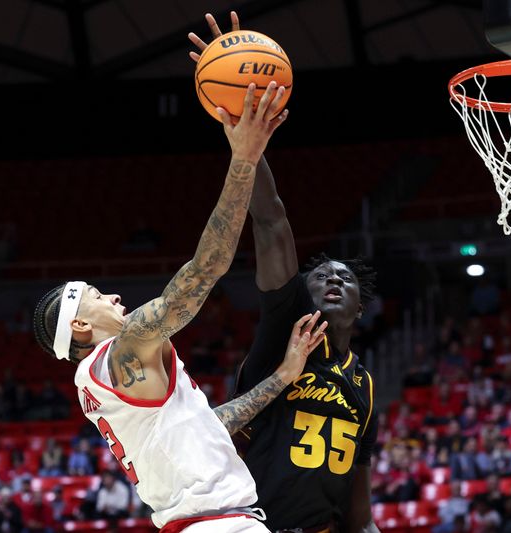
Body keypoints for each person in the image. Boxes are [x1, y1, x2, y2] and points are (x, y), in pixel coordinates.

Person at [31, 87, 328, 533]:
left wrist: (283, 377)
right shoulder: (122, 353)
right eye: (97, 294)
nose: (113, 297)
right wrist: (244, 159)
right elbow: (205, 270)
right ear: (79, 323)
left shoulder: (107, 380)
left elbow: (209, 426)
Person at [189, 14, 378, 532]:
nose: (333, 280)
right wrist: (242, 129)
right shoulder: (284, 326)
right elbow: (271, 218)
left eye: (346, 279)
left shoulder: (365, 385)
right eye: (321, 277)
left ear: (361, 308)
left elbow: (359, 505)